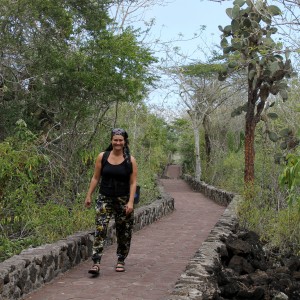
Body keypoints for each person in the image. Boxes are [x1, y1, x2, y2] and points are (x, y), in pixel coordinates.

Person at [85, 128, 138, 275]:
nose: (118, 142)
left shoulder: (130, 160)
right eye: (115, 140)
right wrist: (89, 195)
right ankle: (96, 262)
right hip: (104, 198)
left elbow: (133, 182)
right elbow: (96, 177)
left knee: (124, 231)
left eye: (121, 140)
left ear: (125, 142)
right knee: (100, 228)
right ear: (111, 141)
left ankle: (121, 259)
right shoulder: (102, 157)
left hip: (123, 199)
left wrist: (131, 203)